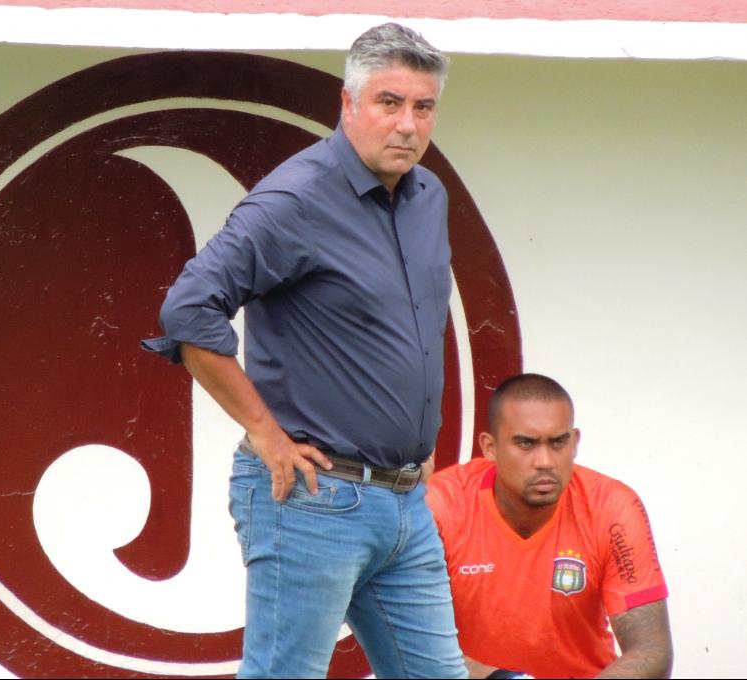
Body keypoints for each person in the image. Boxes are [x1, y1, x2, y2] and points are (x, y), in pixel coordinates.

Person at [141, 21, 467, 680]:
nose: (407, 124)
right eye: (388, 102)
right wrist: (265, 432)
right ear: (348, 105)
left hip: (404, 499)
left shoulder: (428, 196)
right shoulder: (296, 198)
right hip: (314, 494)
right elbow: (187, 308)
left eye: (422, 106)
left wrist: (412, 439)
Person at [425, 373, 673, 679]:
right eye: (526, 444)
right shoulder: (441, 505)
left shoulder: (612, 506)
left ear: (575, 442)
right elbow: (418, 648)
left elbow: (652, 651)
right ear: (490, 447)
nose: (545, 461)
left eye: (558, 442)